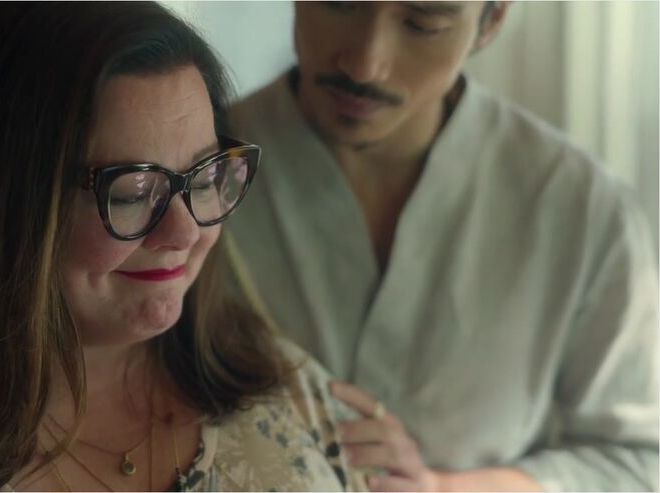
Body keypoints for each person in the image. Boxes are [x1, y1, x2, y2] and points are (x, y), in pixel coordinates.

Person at [0, 3, 369, 491]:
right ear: (1, 206)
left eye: (203, 175)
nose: (185, 232)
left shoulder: (283, 384)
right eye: (133, 191)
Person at [223, 1, 658, 491]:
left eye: (422, 24)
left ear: (491, 22)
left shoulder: (580, 208)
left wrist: (445, 488)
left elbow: (636, 463)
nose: (364, 64)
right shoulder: (202, 176)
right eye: (340, 3)